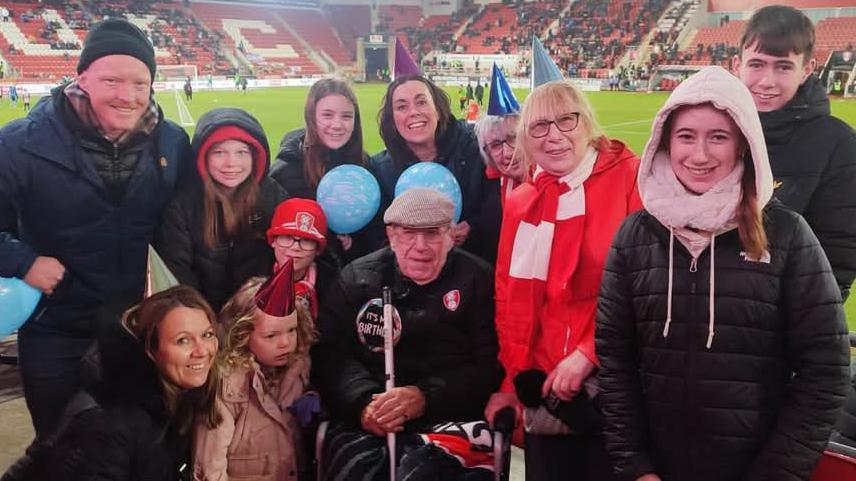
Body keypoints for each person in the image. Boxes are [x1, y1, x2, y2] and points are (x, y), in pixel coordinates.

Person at [595, 66, 850, 481]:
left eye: (718, 137)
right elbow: (615, 361)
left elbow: (826, 369)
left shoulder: (785, 236)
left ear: (743, 145)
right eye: (686, 136)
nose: (700, 155)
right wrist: (635, 466)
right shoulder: (634, 236)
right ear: (664, 142)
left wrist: (776, 473)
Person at [0, 18, 192, 438]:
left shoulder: (172, 143)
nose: (128, 96)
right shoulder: (20, 143)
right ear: (81, 77)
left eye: (140, 84)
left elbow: (189, 222)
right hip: (57, 330)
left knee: (141, 448)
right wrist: (23, 259)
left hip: (137, 329)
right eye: (112, 80)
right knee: (61, 449)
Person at [486, 80, 641, 481]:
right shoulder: (523, 199)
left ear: (586, 122)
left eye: (566, 120)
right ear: (526, 137)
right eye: (539, 126)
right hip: (544, 393)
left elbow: (646, 287)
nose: (554, 136)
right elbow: (507, 294)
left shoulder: (630, 179)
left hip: (614, 387)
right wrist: (511, 379)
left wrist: (589, 354)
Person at [312, 188, 503, 480]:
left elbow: (489, 364)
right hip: (370, 416)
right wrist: (362, 402)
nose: (421, 246)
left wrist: (425, 396)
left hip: (452, 416)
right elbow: (329, 355)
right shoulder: (357, 278)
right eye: (408, 234)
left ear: (451, 235)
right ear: (390, 236)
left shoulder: (478, 279)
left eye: (433, 234)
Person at [2, 285, 221, 481]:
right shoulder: (108, 423)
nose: (202, 351)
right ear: (150, 350)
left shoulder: (184, 395)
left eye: (207, 335)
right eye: (183, 340)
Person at [731, 5, 856, 300]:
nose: (767, 81)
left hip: (783, 327)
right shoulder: (715, 132)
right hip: (707, 320)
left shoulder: (838, 144)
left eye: (783, 66)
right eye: (757, 64)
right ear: (736, 65)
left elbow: (836, 259)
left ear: (807, 69)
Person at [155, 107, 286, 312]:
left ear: (255, 156)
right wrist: (204, 320)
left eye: (241, 152)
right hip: (202, 320)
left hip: (257, 317)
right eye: (219, 152)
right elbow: (178, 271)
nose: (231, 163)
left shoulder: (273, 197)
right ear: (203, 157)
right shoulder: (183, 205)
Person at [194, 265, 316, 481]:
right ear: (243, 334)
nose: (285, 343)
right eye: (271, 336)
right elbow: (210, 466)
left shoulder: (300, 368)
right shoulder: (227, 384)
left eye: (292, 330)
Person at [370, 75, 496, 262]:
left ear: (437, 109)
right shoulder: (381, 170)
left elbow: (501, 199)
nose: (413, 112)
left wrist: (474, 227)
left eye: (421, 102)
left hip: (477, 269)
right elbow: (378, 237)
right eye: (402, 106)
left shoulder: (477, 147)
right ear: (392, 119)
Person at [270, 78, 371, 262]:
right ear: (311, 116)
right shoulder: (285, 172)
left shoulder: (364, 167)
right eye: (327, 115)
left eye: (347, 116)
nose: (337, 124)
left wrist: (354, 243)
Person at [267, 198, 339, 318]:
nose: (295, 247)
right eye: (287, 237)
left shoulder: (334, 288)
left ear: (318, 249)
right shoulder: (247, 279)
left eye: (306, 240)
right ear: (273, 241)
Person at [471, 114, 525, 265]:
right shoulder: (495, 190)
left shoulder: (555, 185)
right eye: (495, 145)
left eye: (513, 138)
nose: (507, 153)